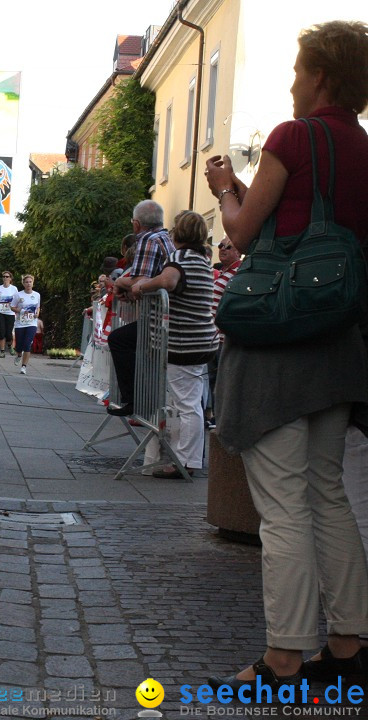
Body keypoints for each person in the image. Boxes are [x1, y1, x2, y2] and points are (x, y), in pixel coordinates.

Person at [202, 20, 368, 690]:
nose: (292, 82)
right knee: (327, 492)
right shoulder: (362, 148)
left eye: (299, 71)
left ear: (321, 74)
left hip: (279, 343)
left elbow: (242, 231)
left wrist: (225, 186)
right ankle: (350, 642)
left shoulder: (293, 136)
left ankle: (284, 658)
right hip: (340, 344)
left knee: (284, 504)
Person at [124, 211, 218, 478]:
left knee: (187, 405)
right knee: (191, 403)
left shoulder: (180, 258)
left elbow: (168, 281)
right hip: (201, 340)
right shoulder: (202, 259)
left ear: (178, 233)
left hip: (182, 342)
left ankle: (185, 462)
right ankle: (185, 458)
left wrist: (142, 286)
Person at [106, 200, 175, 415]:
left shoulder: (147, 239)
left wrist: (119, 284)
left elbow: (140, 280)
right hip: (165, 314)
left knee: (119, 340)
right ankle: (141, 401)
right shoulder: (166, 237)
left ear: (136, 224)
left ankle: (134, 400)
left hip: (158, 318)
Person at [205, 236, 242, 427]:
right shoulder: (222, 272)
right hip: (213, 337)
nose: (223, 249)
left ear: (238, 252)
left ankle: (221, 419)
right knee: (212, 380)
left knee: (221, 381)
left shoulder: (238, 273)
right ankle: (215, 417)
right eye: (220, 245)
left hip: (222, 338)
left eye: (229, 246)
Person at [12, 275, 41, 375]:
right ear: (23, 284)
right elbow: (12, 307)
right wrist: (18, 310)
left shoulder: (37, 295)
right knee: (19, 346)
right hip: (20, 324)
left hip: (31, 323)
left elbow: (38, 307)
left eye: (30, 282)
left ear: (33, 283)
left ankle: (24, 366)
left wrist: (37, 313)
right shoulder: (18, 295)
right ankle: (19, 355)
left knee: (27, 344)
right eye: (27, 282)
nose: (28, 284)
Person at [0, 271, 18, 358]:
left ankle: (10, 346)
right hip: (0, 312)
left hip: (10, 313)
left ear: (10, 279)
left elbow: (16, 300)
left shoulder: (14, 289)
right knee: (1, 331)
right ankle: (2, 351)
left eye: (7, 277)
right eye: (4, 276)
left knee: (8, 333)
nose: (5, 278)